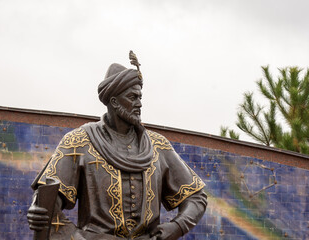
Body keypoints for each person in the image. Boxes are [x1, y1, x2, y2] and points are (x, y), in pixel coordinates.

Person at [27, 52, 207, 240]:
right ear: (114, 101)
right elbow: (48, 197)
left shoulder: (158, 146)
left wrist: (177, 226)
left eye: (140, 97)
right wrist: (43, 213)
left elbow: (196, 197)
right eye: (132, 97)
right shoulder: (78, 142)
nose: (139, 104)